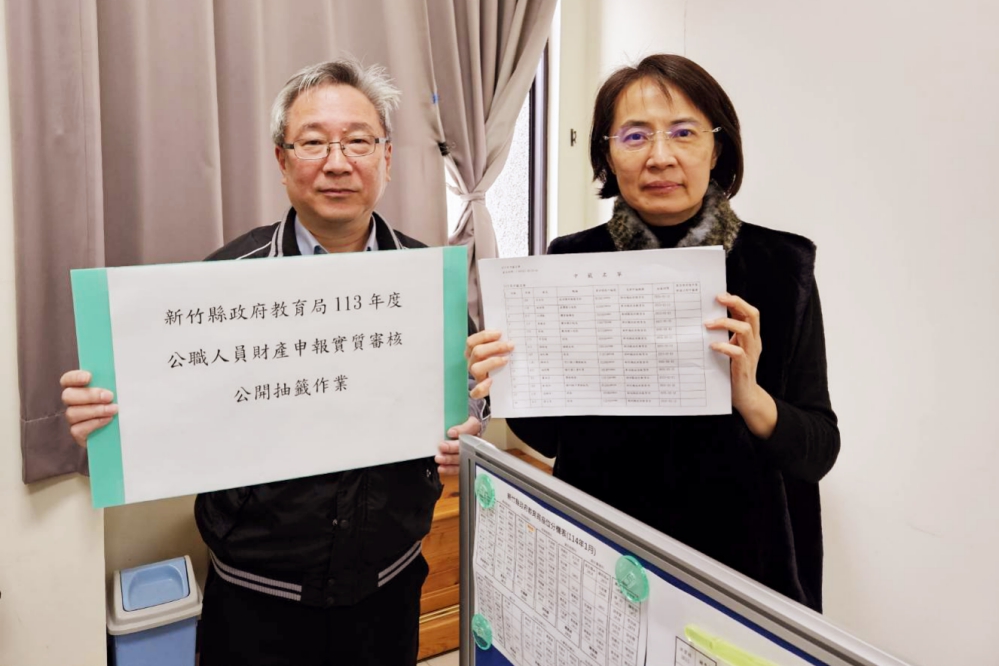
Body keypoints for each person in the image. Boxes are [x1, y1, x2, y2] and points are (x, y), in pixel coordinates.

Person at [60, 58, 485, 665]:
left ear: (386, 158)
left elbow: (467, 400)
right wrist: (105, 419)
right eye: (313, 143)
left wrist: (471, 423)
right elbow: (168, 404)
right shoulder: (221, 282)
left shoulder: (430, 282)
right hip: (255, 600)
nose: (337, 162)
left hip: (387, 589)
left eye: (358, 141)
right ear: (282, 161)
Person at [454, 54, 840, 612]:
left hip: (743, 569)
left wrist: (751, 397)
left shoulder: (782, 267)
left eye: (684, 132)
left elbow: (819, 451)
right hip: (604, 559)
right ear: (608, 154)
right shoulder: (570, 262)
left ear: (717, 148)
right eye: (634, 136)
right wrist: (508, 380)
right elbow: (550, 439)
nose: (660, 156)